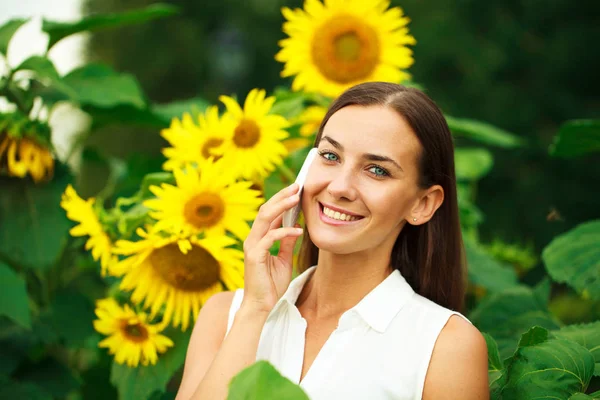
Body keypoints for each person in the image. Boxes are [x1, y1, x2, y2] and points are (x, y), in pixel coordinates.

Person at [175, 82, 489, 400]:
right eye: (330, 156)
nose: (340, 187)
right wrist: (255, 309)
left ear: (422, 204)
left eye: (377, 170)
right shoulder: (225, 315)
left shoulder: (445, 347)